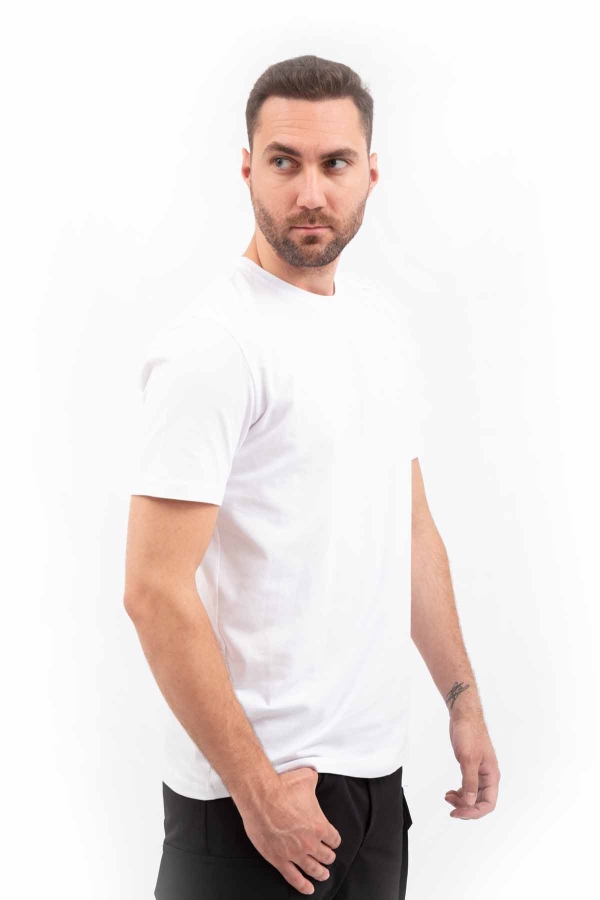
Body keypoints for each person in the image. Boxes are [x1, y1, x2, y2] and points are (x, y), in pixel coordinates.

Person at [124, 54, 501, 900]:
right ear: (247, 168)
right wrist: (257, 792)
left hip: (373, 788)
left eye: (334, 164)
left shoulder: (378, 329)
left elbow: (410, 530)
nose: (310, 192)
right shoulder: (213, 346)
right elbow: (153, 590)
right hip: (247, 804)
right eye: (284, 161)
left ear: (371, 172)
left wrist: (462, 700)